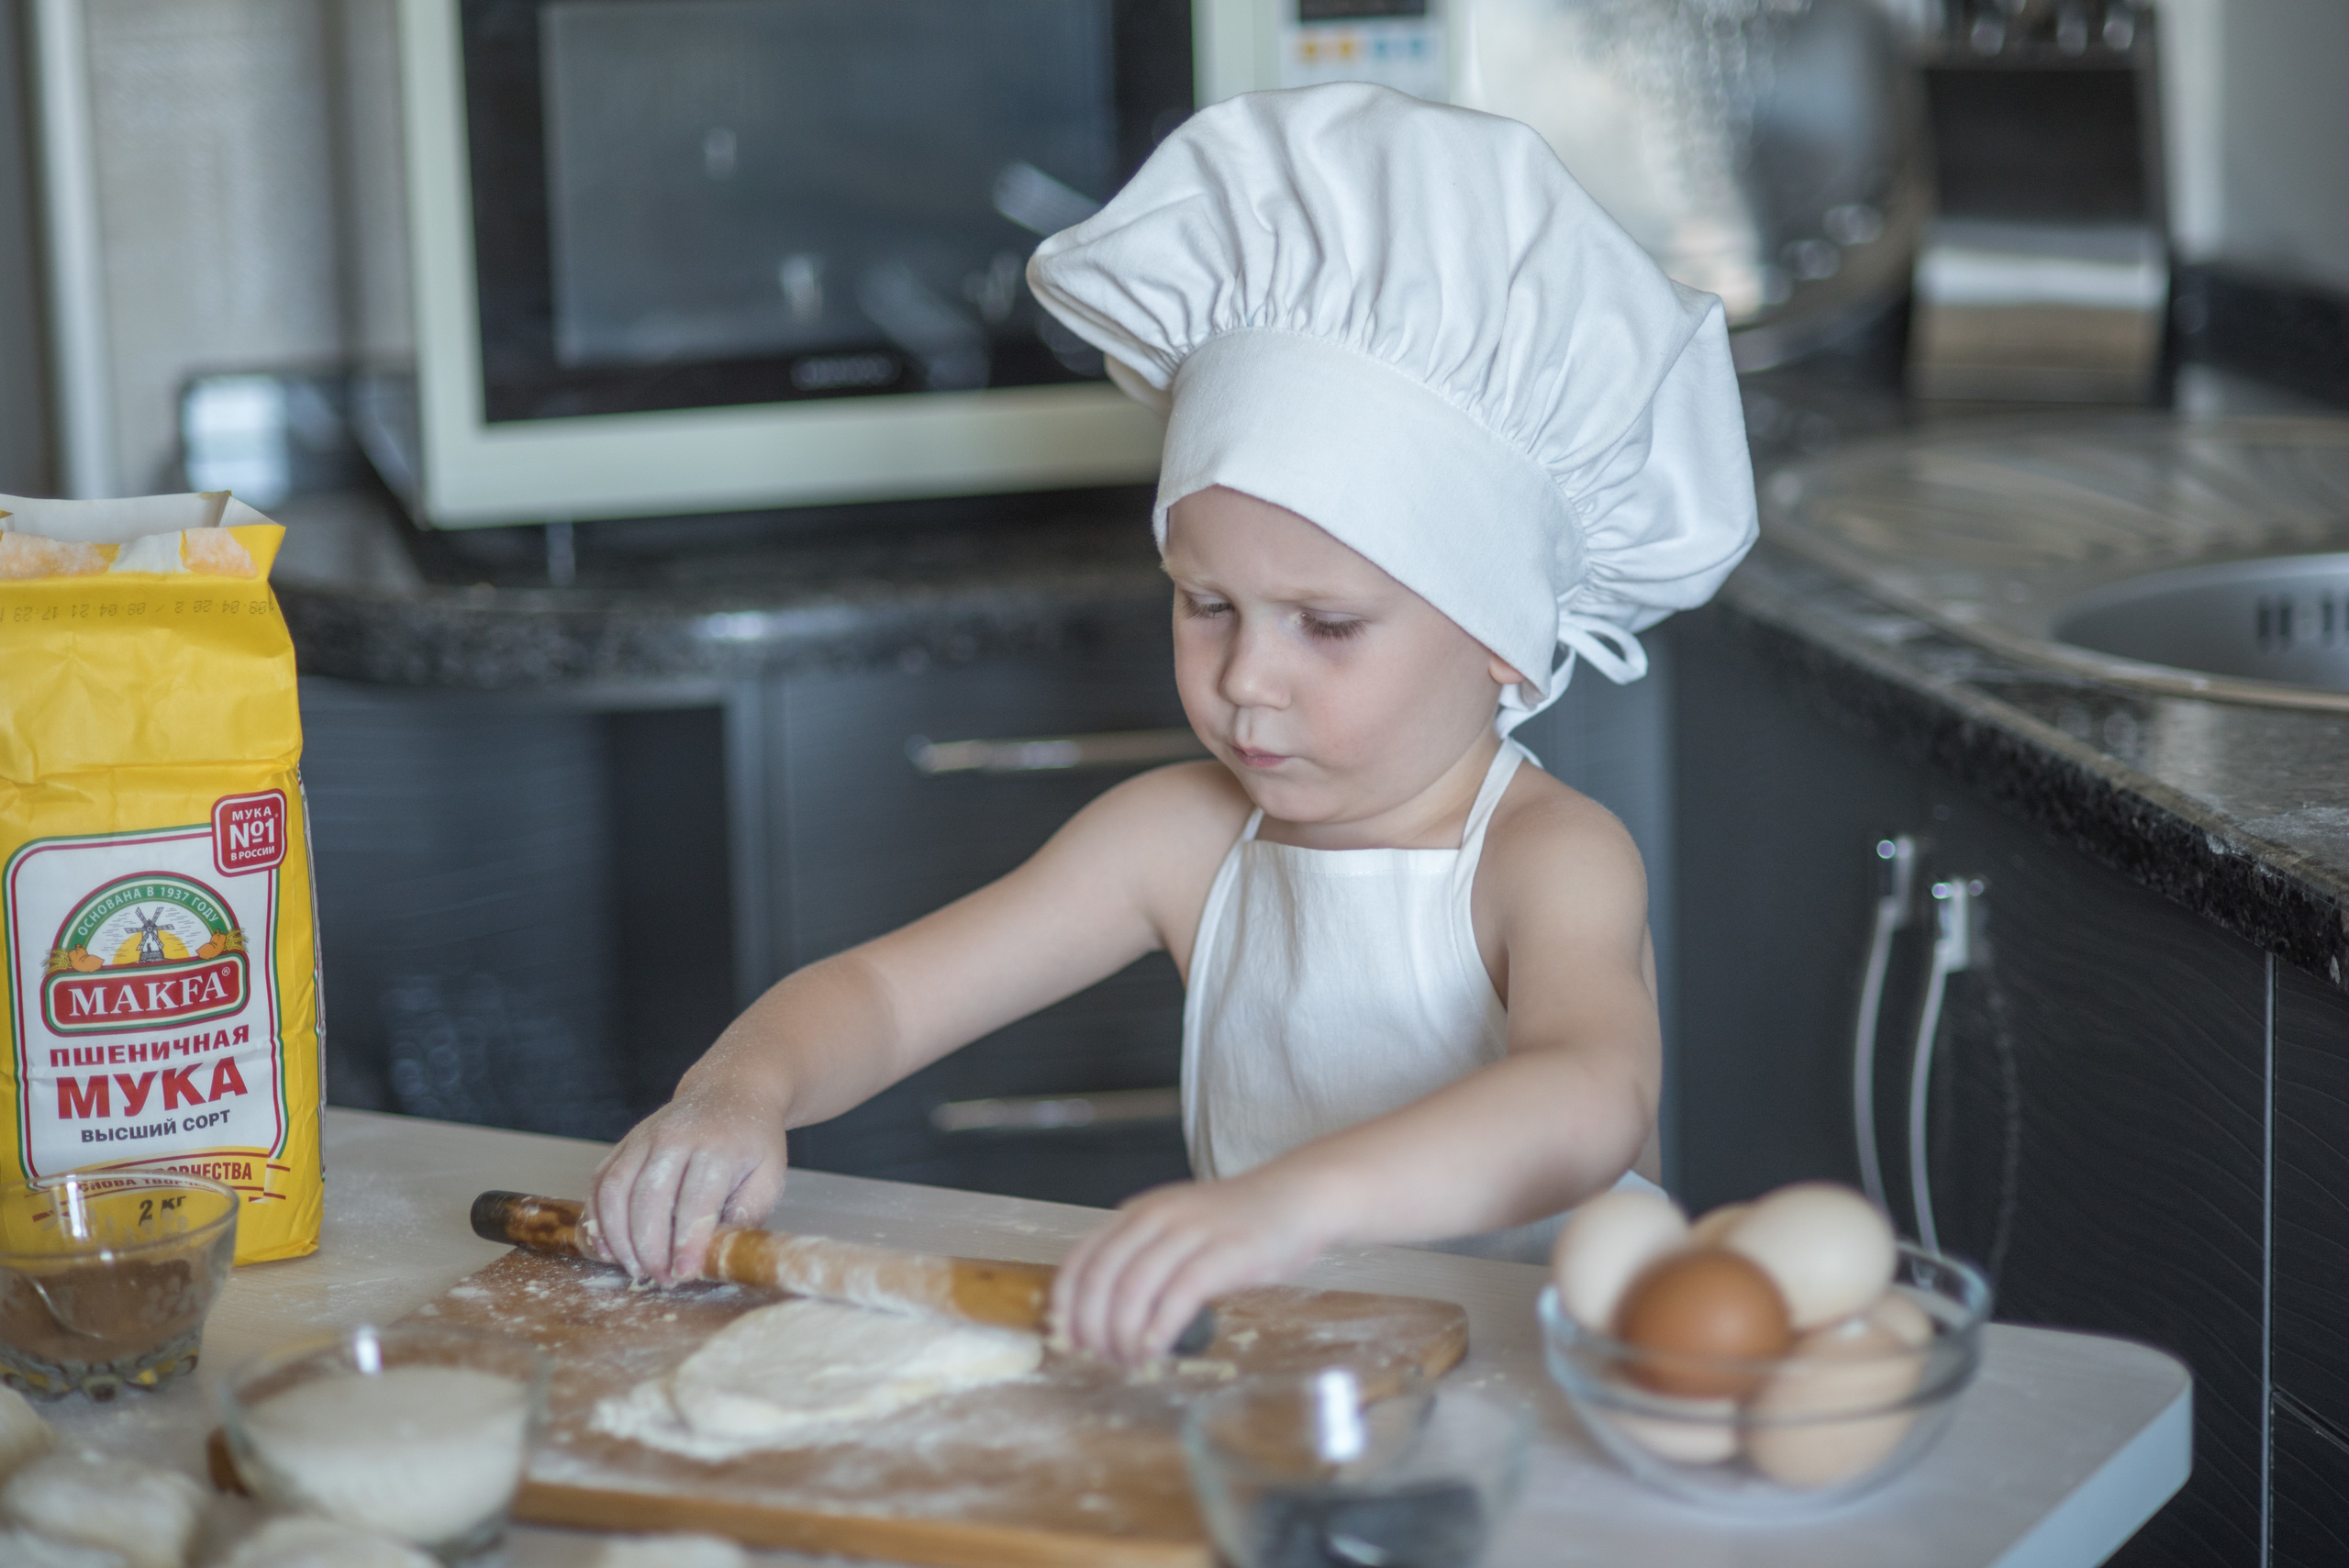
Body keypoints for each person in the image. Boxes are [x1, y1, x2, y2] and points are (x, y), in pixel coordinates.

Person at [584, 83, 1757, 1364]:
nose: (1248, 677)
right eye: (1208, 604)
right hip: (1296, 1391)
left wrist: (1287, 1205)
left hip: (1547, 1402)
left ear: (1500, 643)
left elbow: (1587, 1100)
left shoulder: (1547, 857)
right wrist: (737, 1090)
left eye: (1326, 624)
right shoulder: (1177, 841)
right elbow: (883, 993)